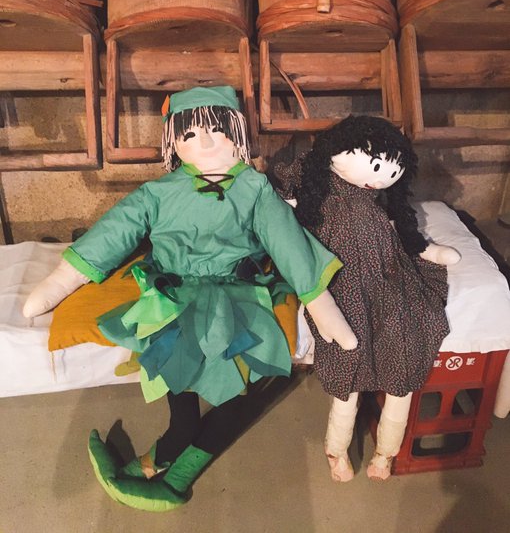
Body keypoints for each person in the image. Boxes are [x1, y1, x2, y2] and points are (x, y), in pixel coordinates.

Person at [23, 86, 357, 511]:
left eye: (217, 129)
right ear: (174, 142)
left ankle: (163, 469)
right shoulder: (160, 192)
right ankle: (168, 465)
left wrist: (321, 303)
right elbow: (117, 229)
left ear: (237, 133)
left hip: (235, 293)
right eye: (190, 133)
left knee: (239, 390)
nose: (205, 141)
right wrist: (62, 280)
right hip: (176, 295)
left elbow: (287, 241)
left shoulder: (255, 189)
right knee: (184, 391)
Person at [274, 114, 460, 481]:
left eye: (391, 171)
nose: (380, 178)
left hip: (387, 275)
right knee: (350, 356)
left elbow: (401, 233)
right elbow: (285, 215)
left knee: (404, 343)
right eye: (376, 166)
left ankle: (386, 452)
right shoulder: (318, 195)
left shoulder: (379, 202)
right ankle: (336, 448)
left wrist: (428, 251)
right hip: (341, 281)